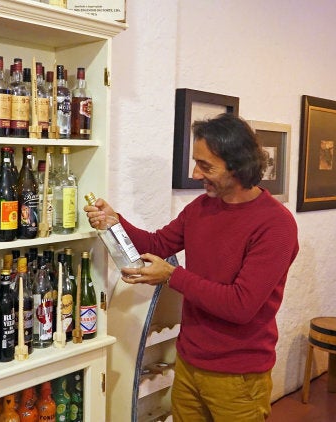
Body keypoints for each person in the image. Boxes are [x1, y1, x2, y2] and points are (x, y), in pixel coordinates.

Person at [84, 113, 298, 421]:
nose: (196, 173)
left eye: (206, 165)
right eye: (195, 162)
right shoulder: (201, 207)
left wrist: (171, 276)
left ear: (237, 166)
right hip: (188, 363)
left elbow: (241, 305)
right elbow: (157, 244)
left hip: (238, 377)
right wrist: (117, 222)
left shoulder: (276, 225)